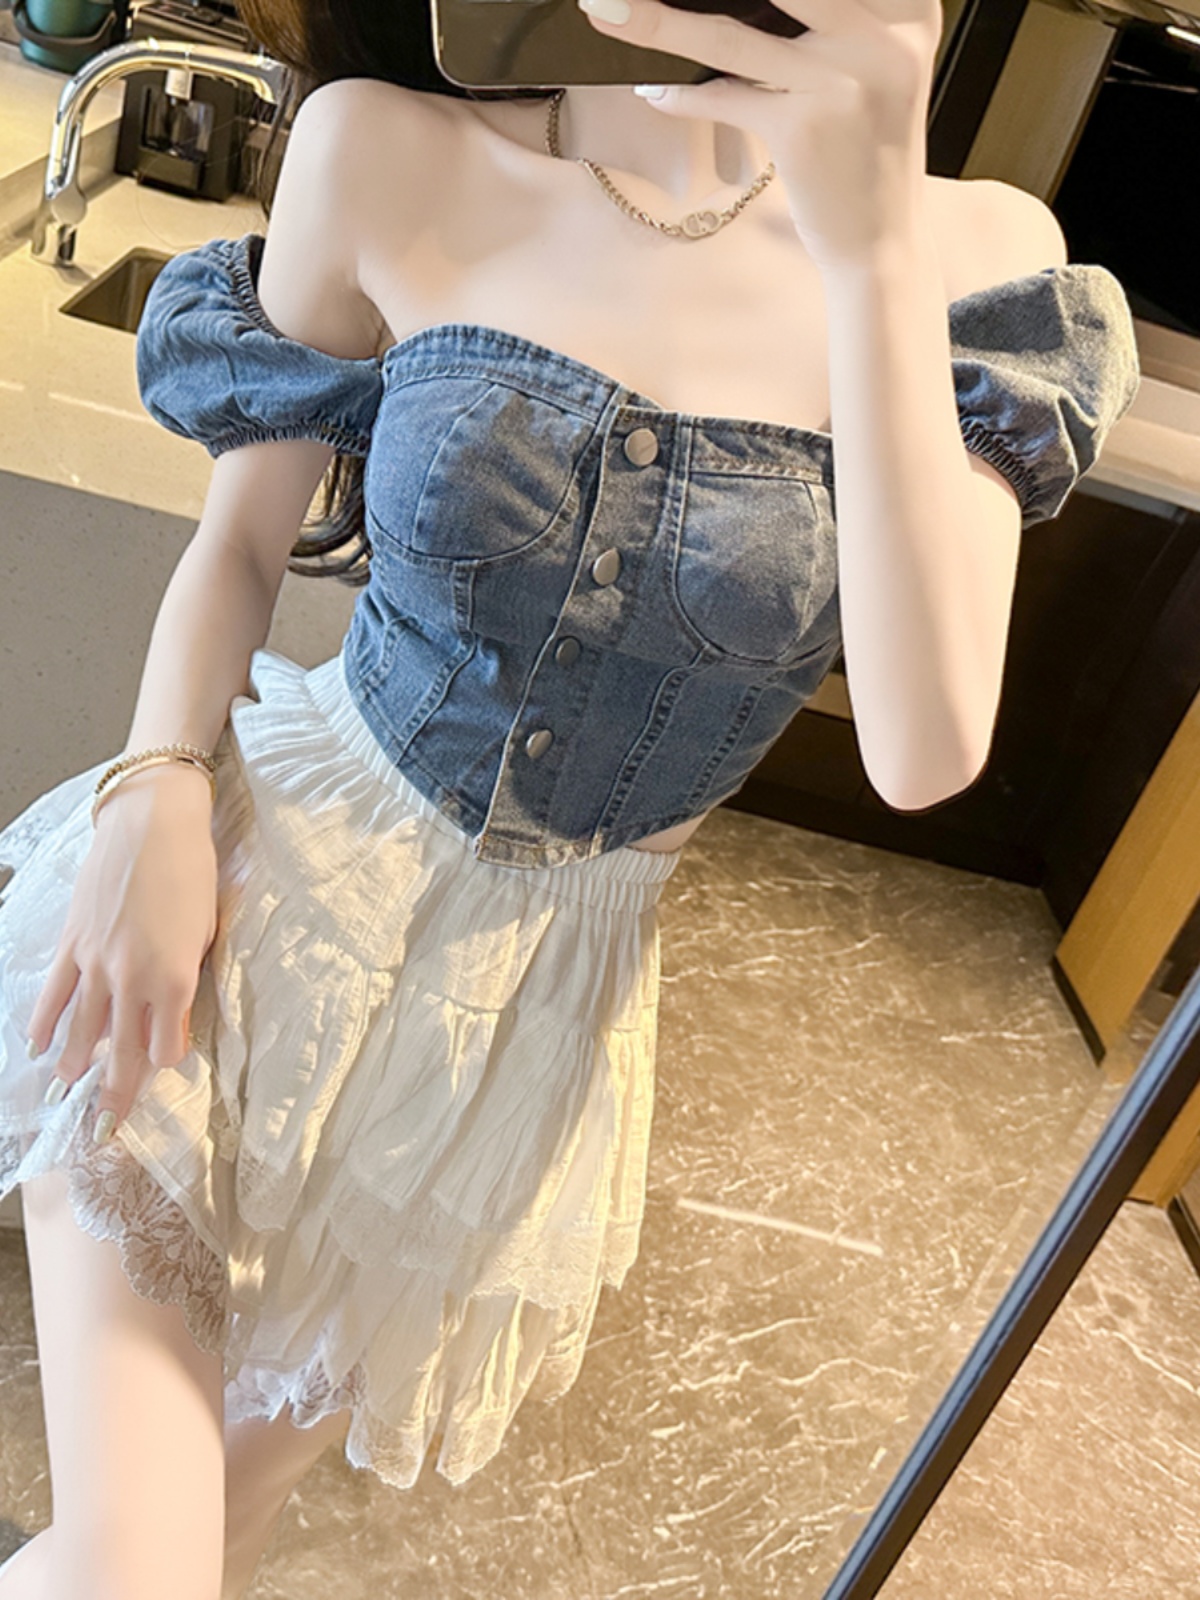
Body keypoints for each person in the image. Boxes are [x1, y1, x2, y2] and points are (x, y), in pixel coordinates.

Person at [0, 1, 1141, 1596]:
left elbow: (924, 745)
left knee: (223, 1529)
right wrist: (158, 792)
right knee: (143, 1564)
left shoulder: (976, 261)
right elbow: (238, 547)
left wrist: (873, 246)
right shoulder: (389, 150)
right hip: (246, 913)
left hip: (507, 1048)